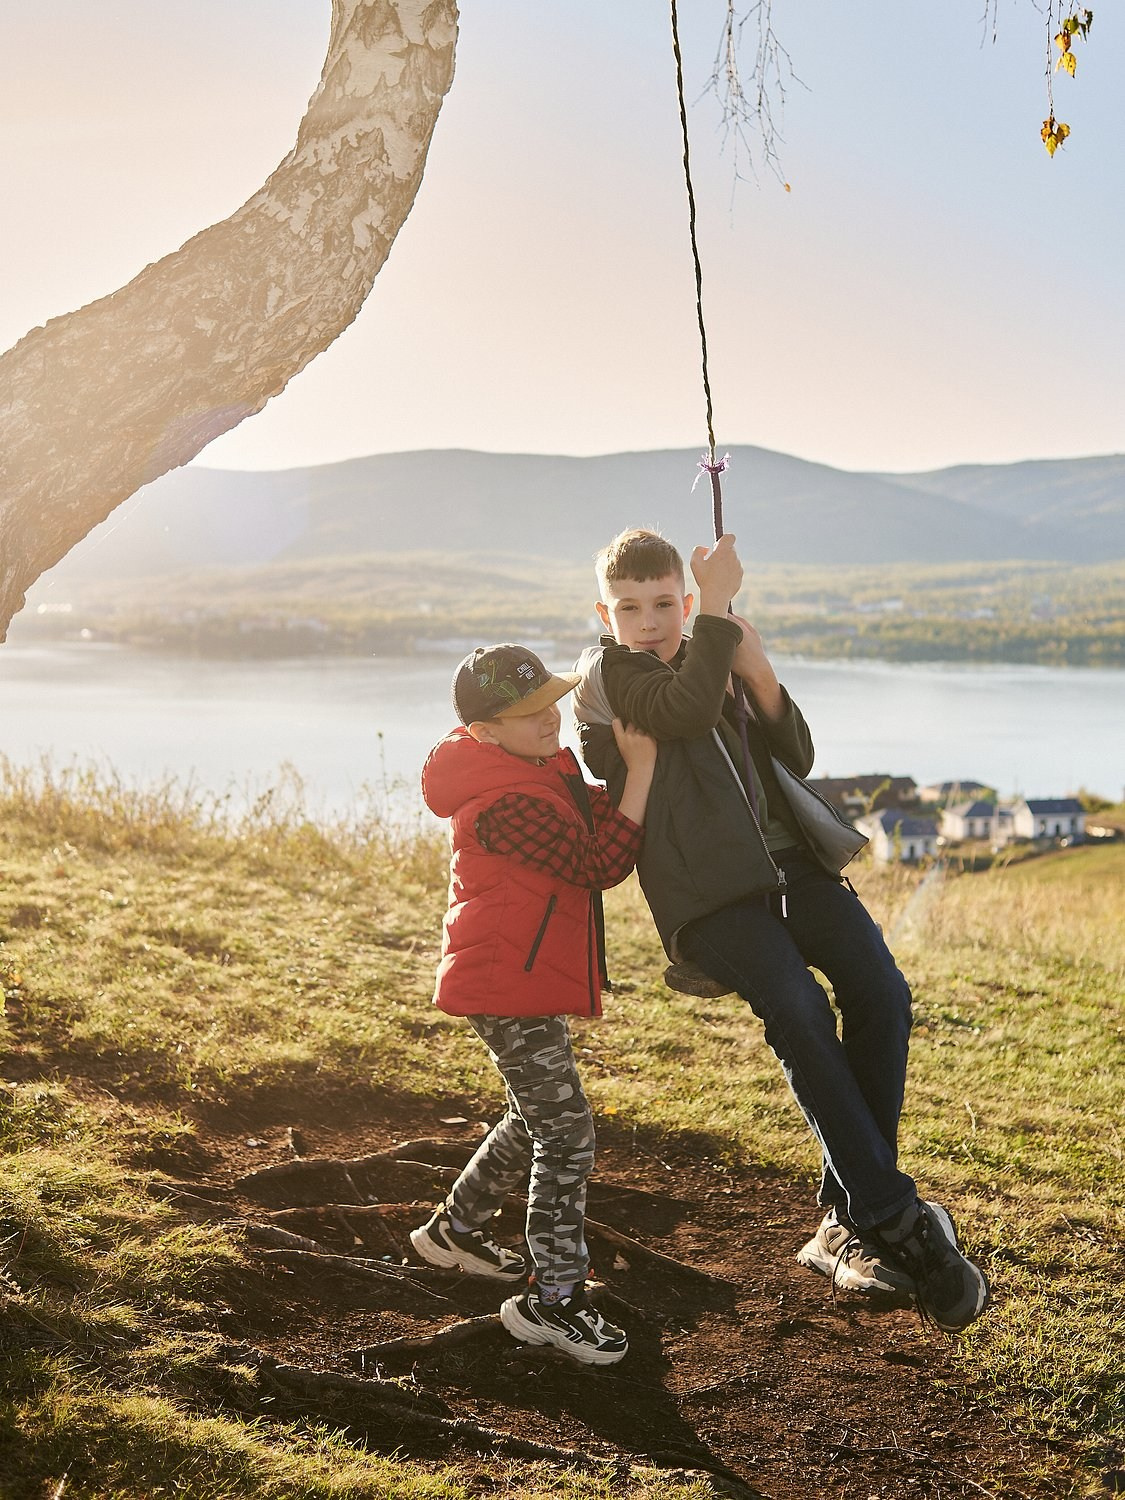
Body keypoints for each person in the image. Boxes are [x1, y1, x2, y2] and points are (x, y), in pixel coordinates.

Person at [572, 528, 989, 1333]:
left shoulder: (712, 650)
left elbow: (792, 751)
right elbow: (684, 710)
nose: (649, 620)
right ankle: (894, 1218)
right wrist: (720, 617)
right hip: (710, 900)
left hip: (793, 871)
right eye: (630, 607)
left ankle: (844, 1221)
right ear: (605, 612)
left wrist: (756, 673)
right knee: (798, 1013)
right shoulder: (610, 673)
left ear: (681, 600)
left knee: (882, 995)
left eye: (666, 603)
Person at [409, 642, 657, 1365]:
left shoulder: (538, 765)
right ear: (484, 731)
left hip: (520, 976)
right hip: (504, 986)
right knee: (567, 1133)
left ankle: (455, 1232)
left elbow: (597, 816)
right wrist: (640, 768)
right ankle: (552, 1300)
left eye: (550, 700)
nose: (549, 718)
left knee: (535, 1115)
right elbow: (599, 862)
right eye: (528, 712)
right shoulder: (499, 802)